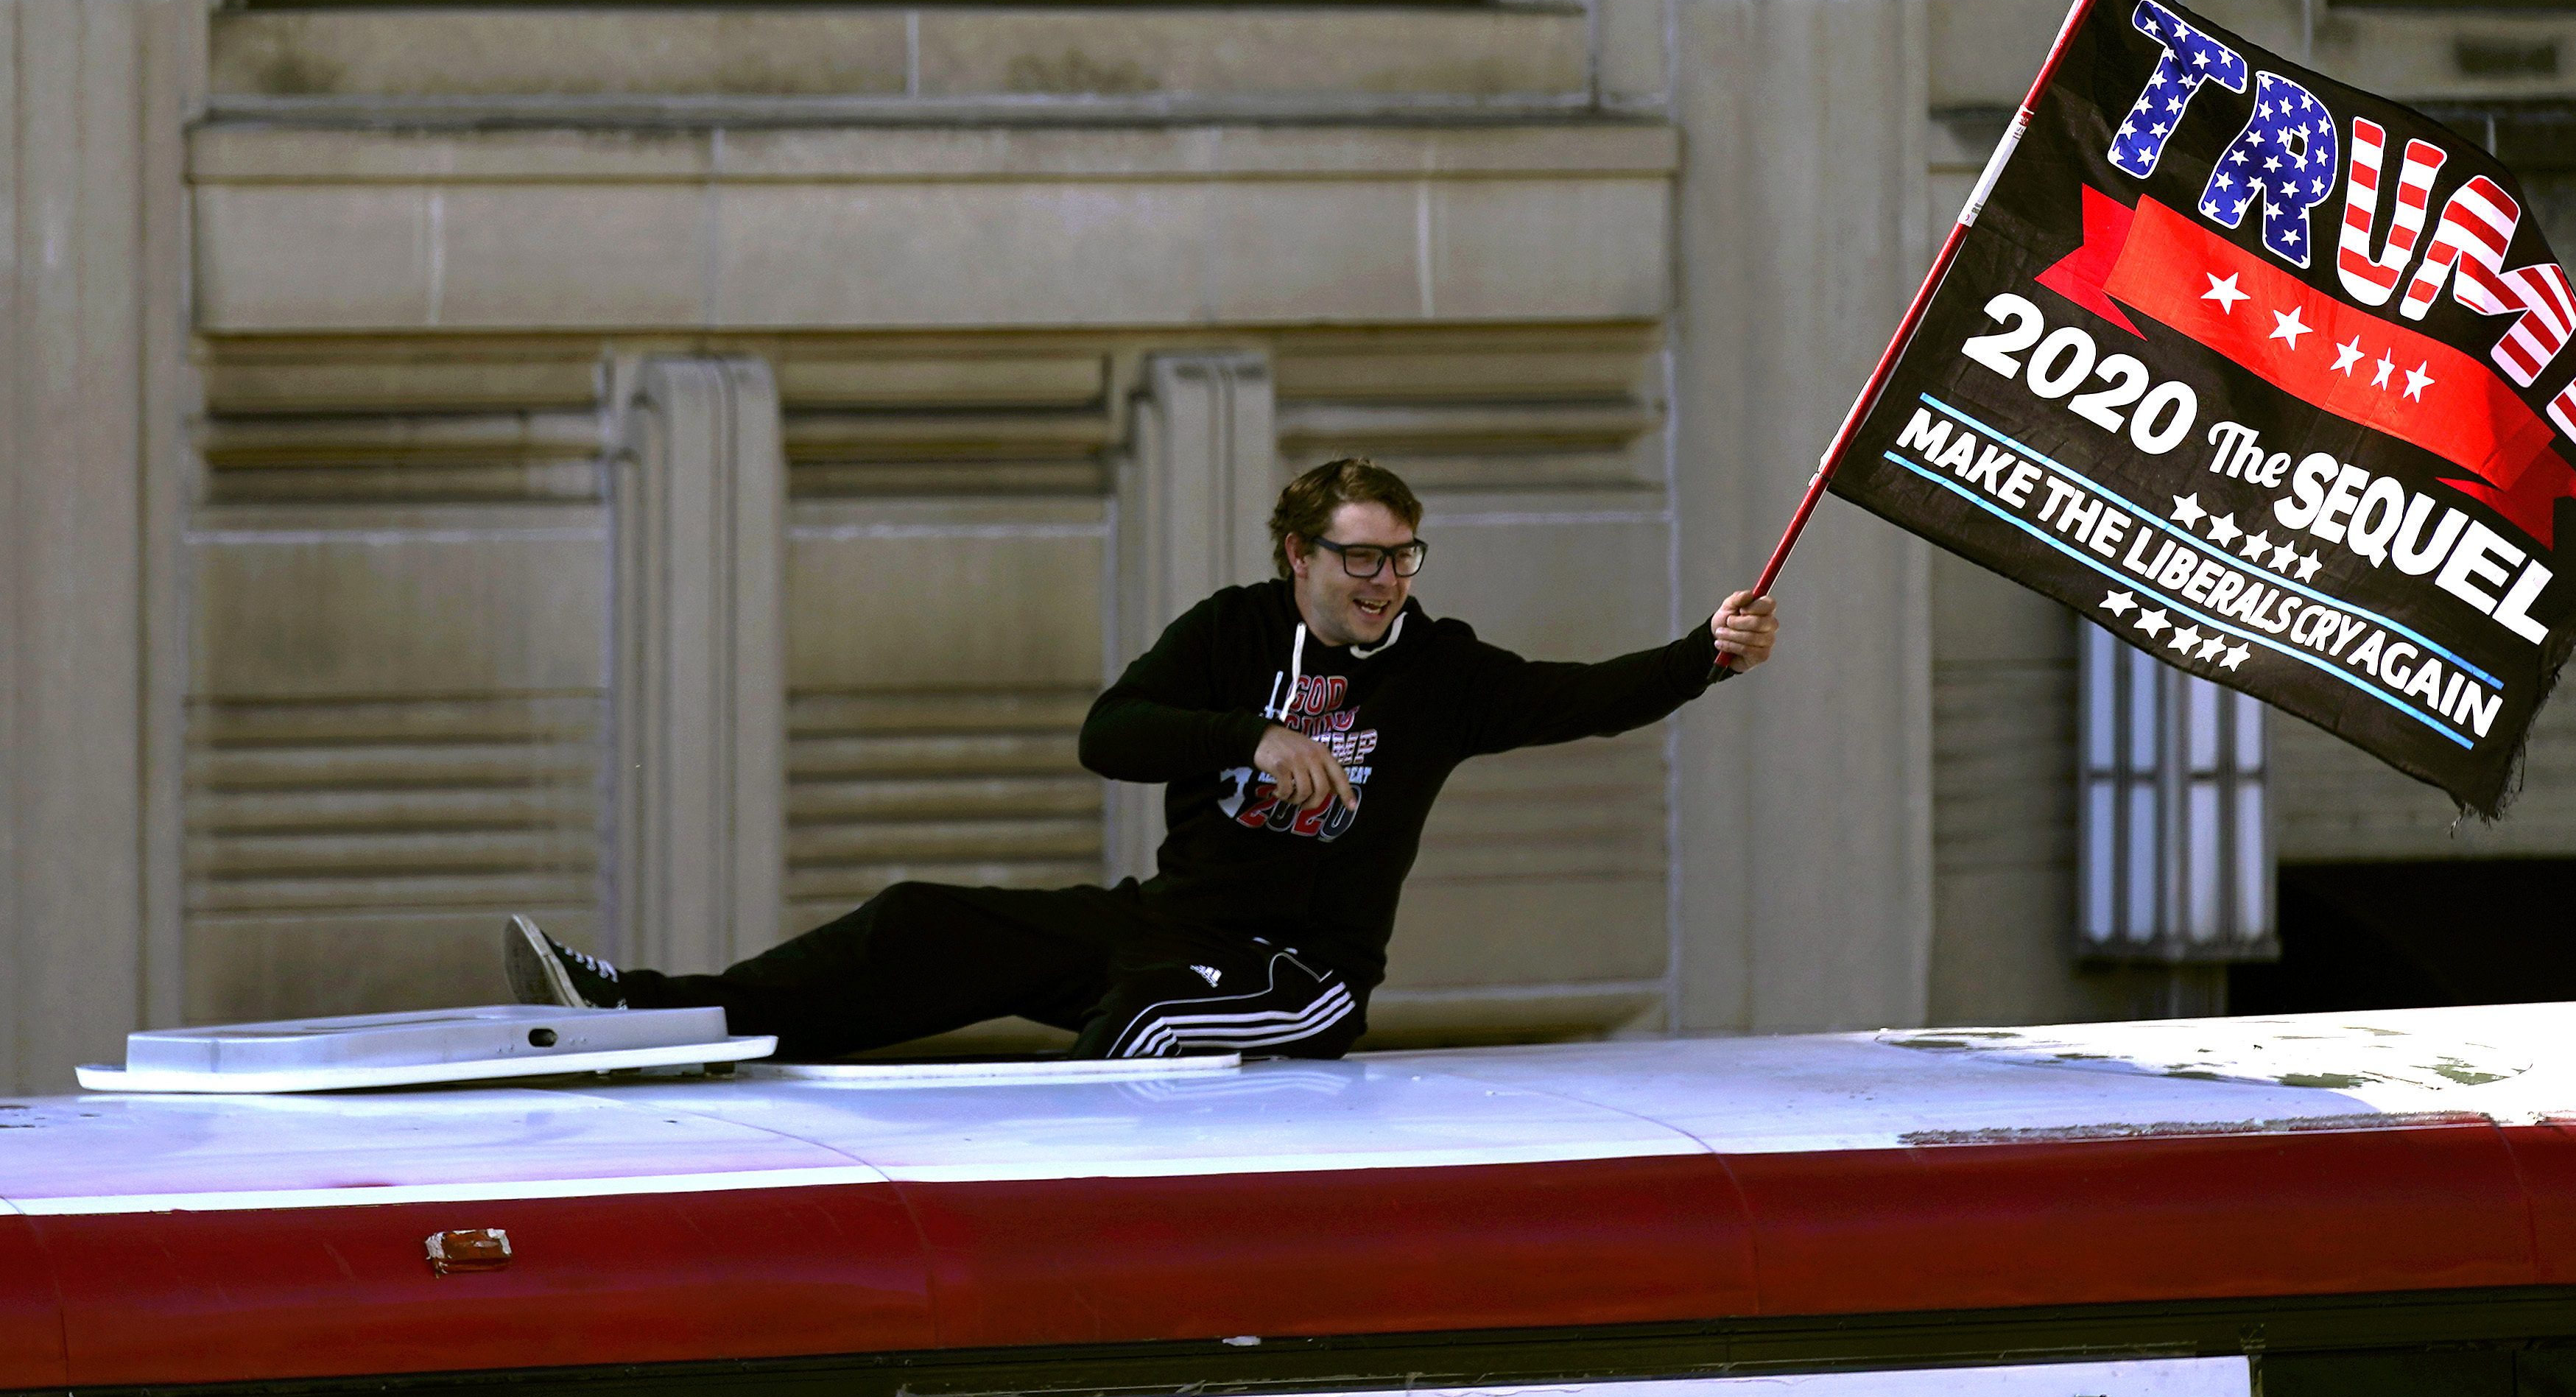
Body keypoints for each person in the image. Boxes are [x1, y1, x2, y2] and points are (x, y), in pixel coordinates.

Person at [506, 456, 1778, 1060]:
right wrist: (1255, 735)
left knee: (1150, 1023)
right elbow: (1108, 735)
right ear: (1301, 558)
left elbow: (1585, 699)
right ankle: (653, 1016)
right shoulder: (1229, 633)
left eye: (1402, 556)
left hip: (1302, 974)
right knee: (916, 925)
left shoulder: (1440, 673)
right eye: (1361, 557)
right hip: (1168, 923)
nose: (1386, 580)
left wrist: (1702, 653)